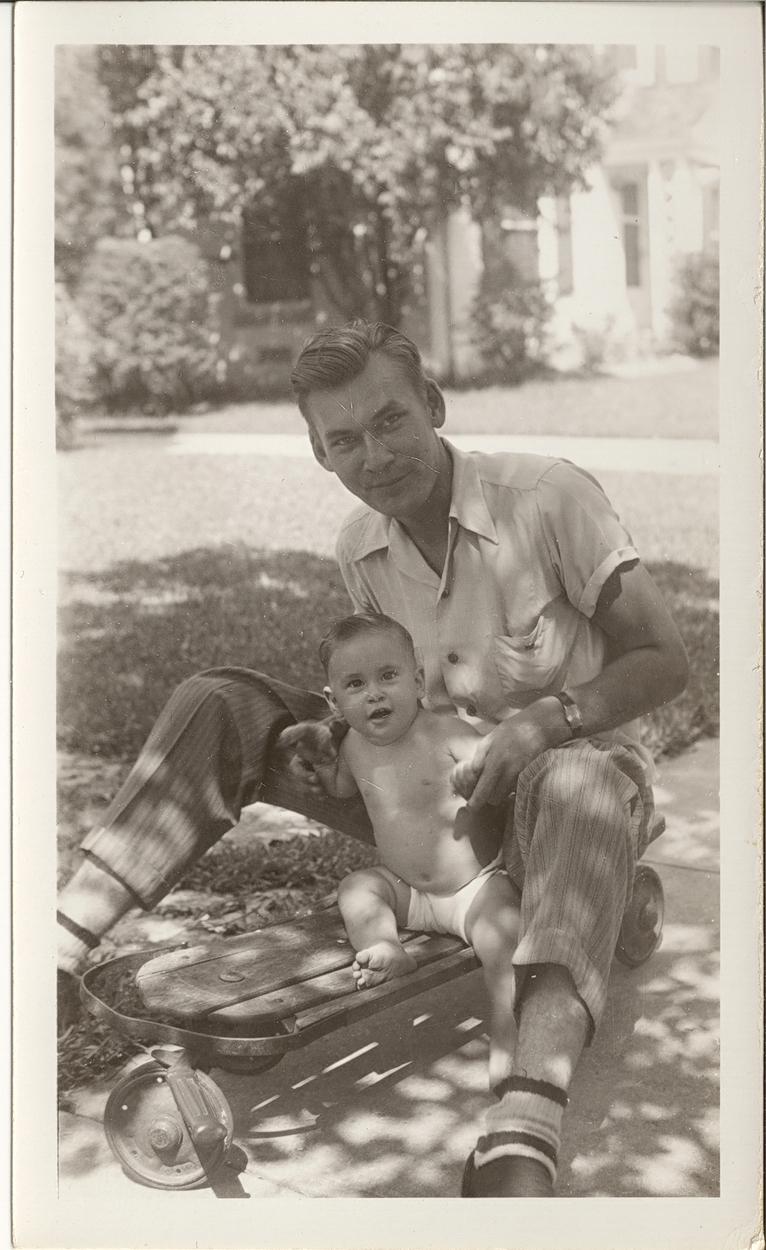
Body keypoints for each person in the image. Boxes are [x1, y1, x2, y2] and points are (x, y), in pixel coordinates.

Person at [57, 319, 688, 1197]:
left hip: (570, 786)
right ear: (321, 456)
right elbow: (386, 692)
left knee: (575, 777)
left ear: (432, 405)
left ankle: (524, 1120)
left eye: (389, 421)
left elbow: (667, 658)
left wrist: (548, 720)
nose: (374, 454)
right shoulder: (360, 547)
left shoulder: (547, 498)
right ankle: (49, 955)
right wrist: (331, 729)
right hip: (440, 809)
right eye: (342, 440)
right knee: (223, 699)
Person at [278, 611, 520, 1089]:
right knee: (359, 887)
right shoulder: (352, 748)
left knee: (506, 940)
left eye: (388, 677)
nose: (374, 693)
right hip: (407, 889)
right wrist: (314, 760)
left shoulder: (445, 732)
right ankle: (384, 946)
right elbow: (344, 789)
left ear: (416, 680)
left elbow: (496, 765)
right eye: (356, 684)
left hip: (472, 888)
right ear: (335, 700)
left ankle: (510, 1045)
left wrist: (480, 774)